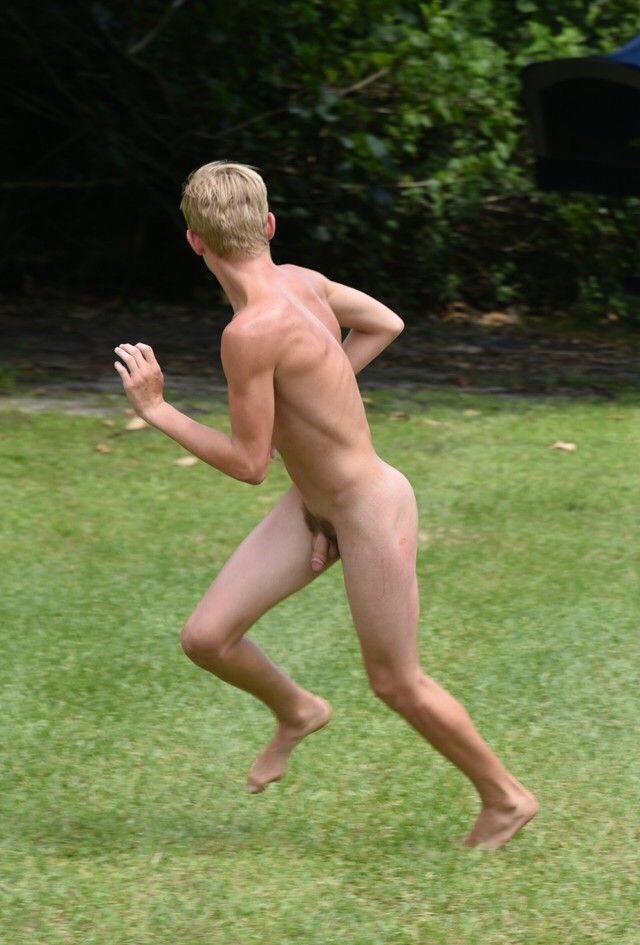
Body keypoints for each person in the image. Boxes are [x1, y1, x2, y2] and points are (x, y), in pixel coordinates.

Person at [113, 161, 537, 849]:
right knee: (207, 637)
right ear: (268, 224)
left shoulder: (249, 333)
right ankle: (298, 710)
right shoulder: (303, 282)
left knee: (396, 681)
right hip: (313, 503)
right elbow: (385, 323)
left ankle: (507, 798)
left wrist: (157, 409)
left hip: (370, 509)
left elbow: (249, 463)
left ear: (195, 241)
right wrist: (322, 387)